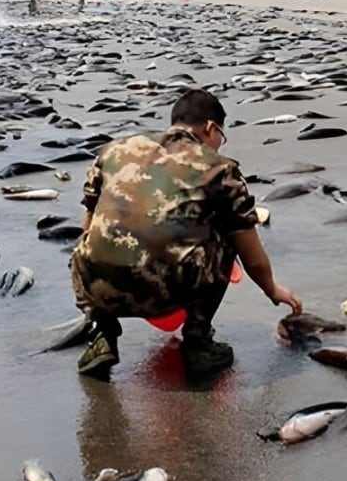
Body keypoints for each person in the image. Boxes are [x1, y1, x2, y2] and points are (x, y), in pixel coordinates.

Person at [69, 88, 303, 381]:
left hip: (98, 287)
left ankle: (100, 333)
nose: (219, 144)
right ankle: (198, 342)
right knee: (228, 233)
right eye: (221, 136)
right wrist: (272, 289)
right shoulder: (220, 169)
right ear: (210, 128)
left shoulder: (113, 151)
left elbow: (88, 224)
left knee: (91, 243)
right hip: (166, 290)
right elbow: (249, 251)